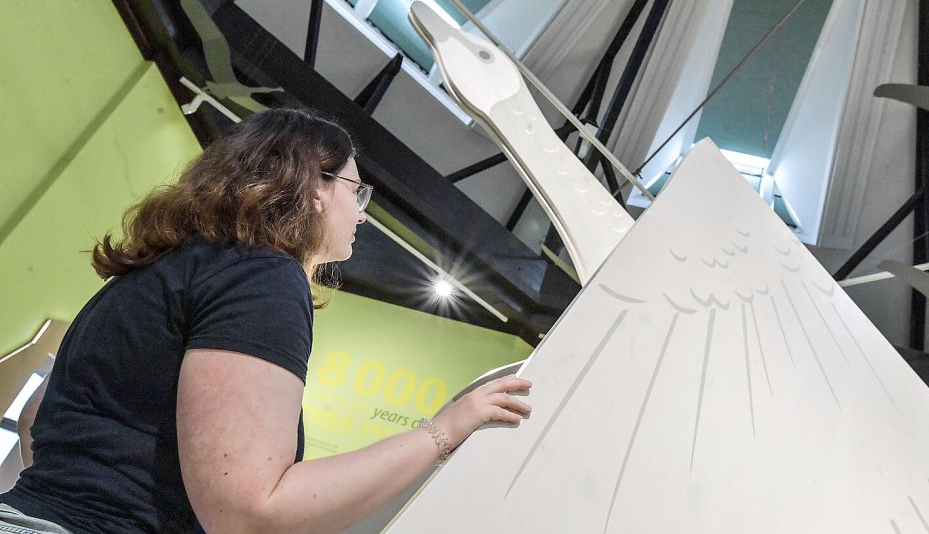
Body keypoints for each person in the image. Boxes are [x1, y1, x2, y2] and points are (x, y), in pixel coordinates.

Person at [0, 108, 533, 534]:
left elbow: (36, 421)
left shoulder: (158, 272)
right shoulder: (264, 277)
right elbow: (249, 512)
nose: (364, 212)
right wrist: (442, 432)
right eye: (356, 189)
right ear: (314, 187)